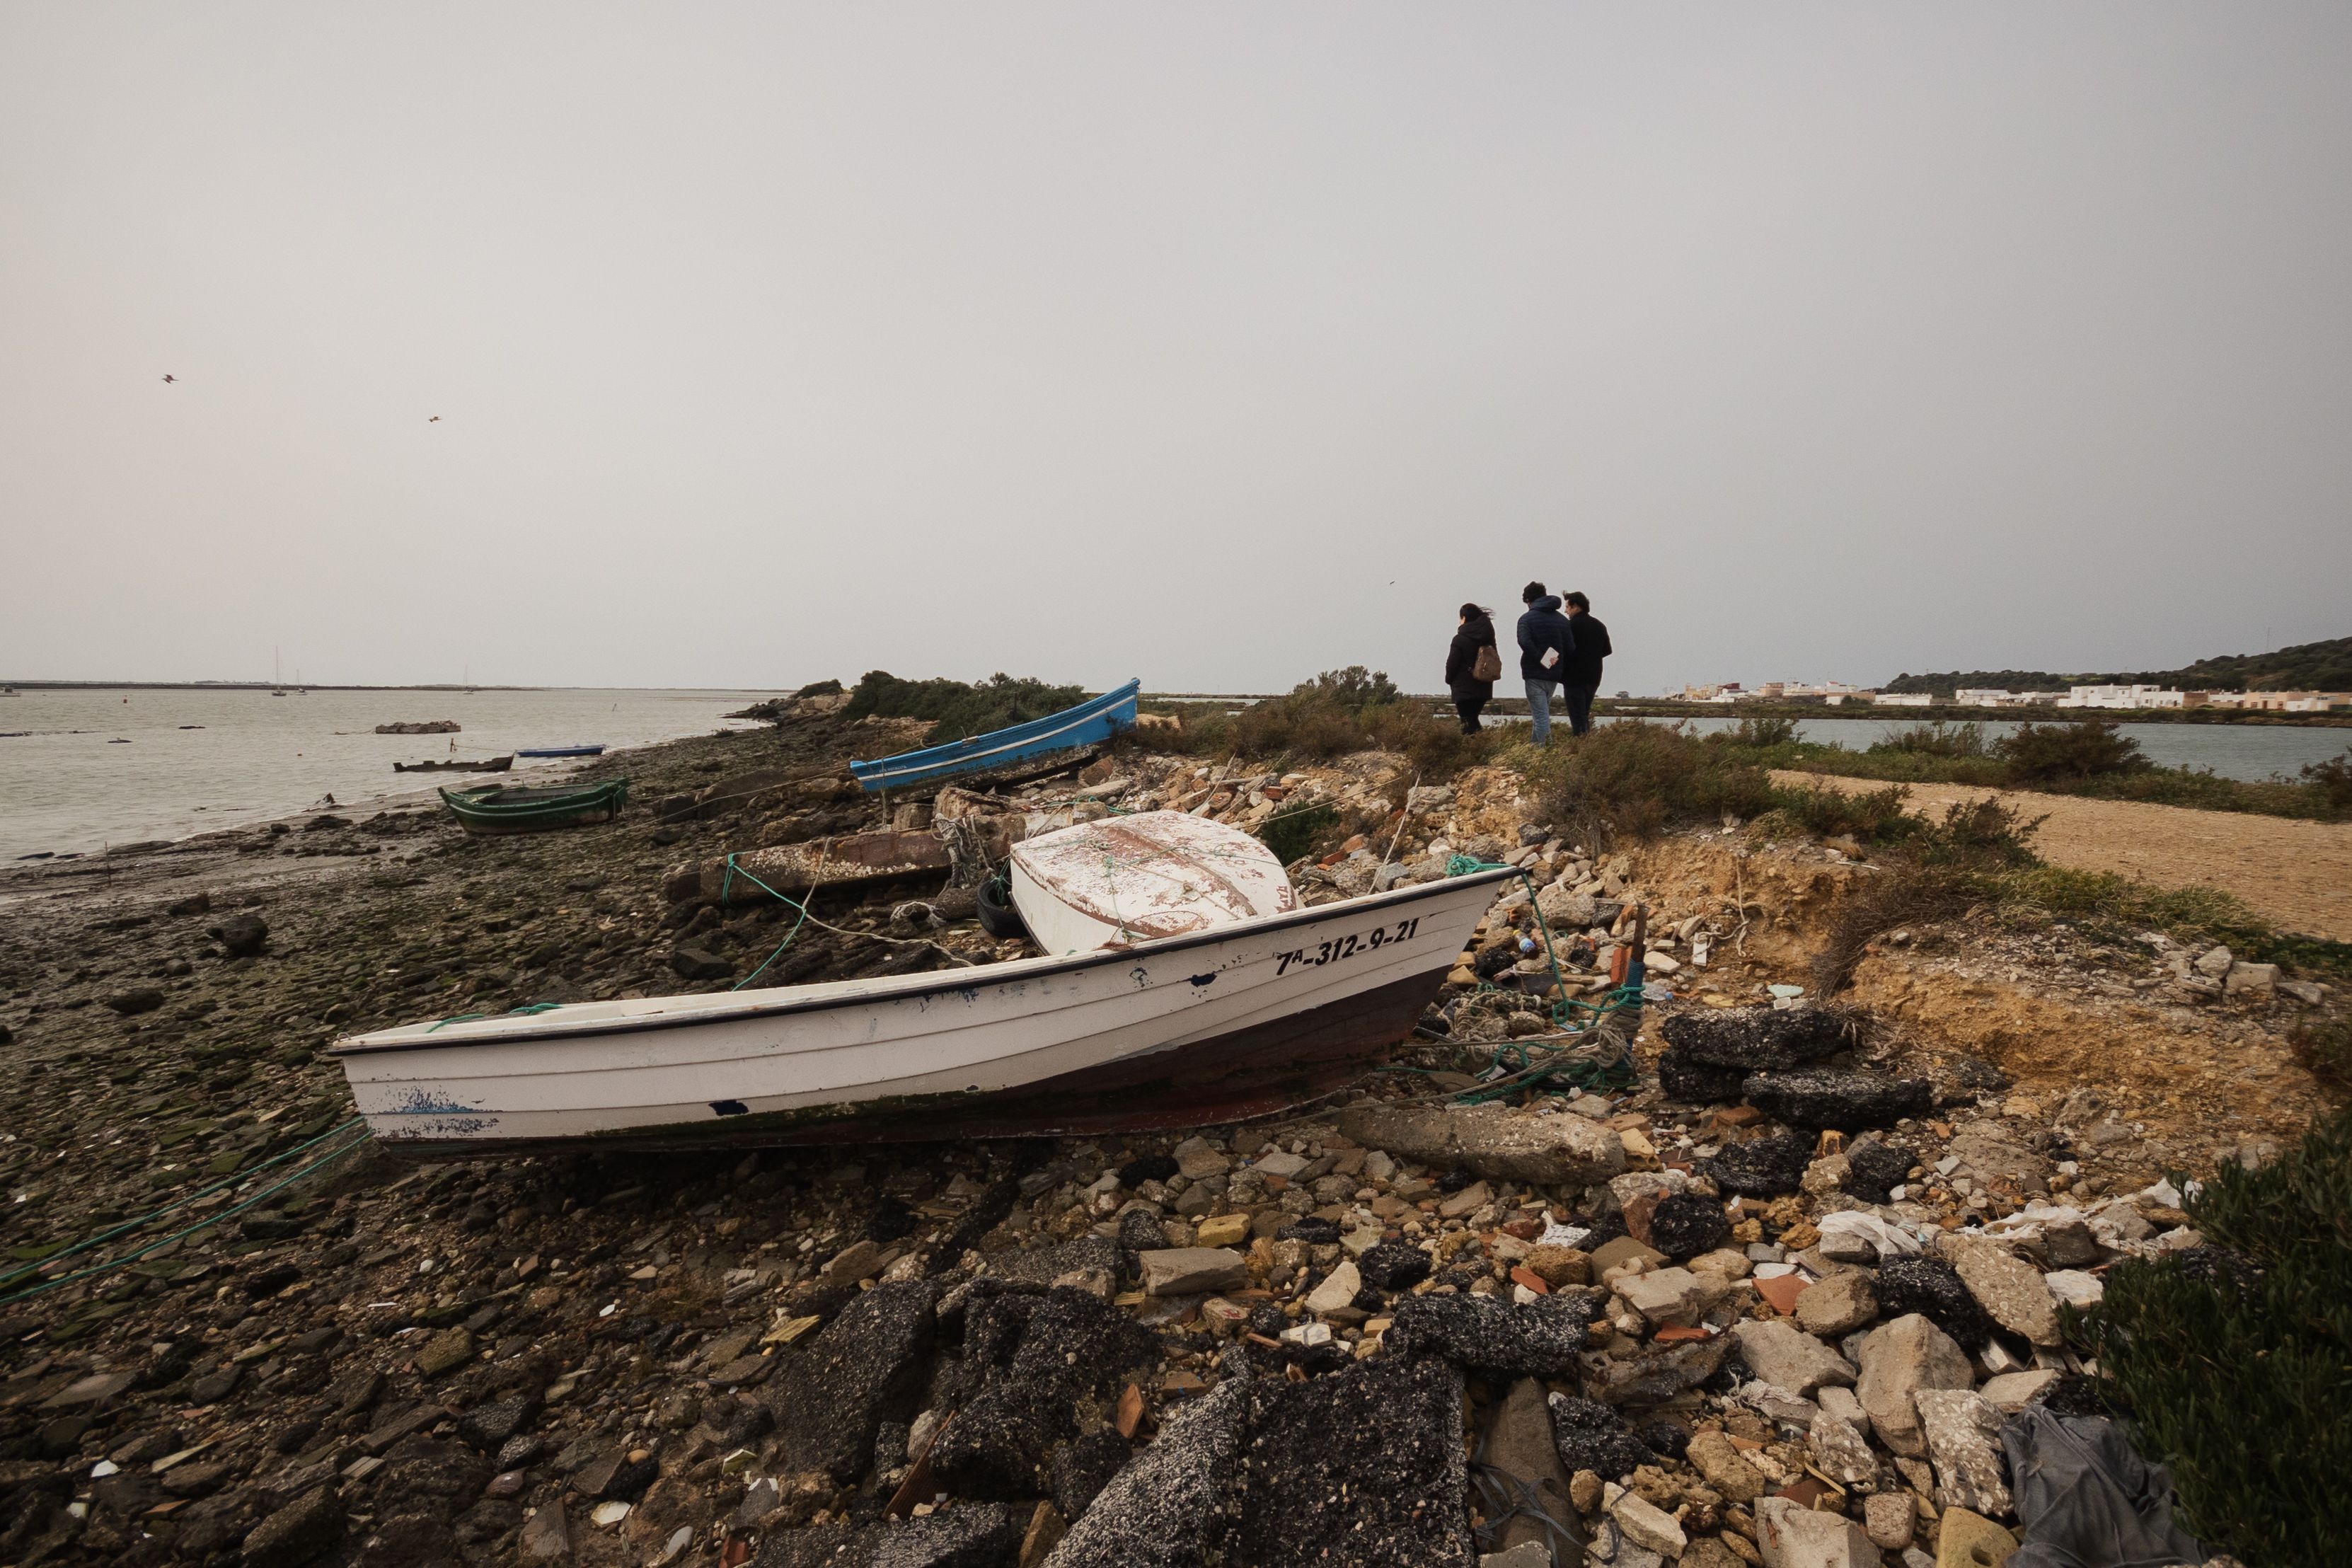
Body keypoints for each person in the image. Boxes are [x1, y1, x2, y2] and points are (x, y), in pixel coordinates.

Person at [1515, 582, 1574, 744]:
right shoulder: (1562, 620)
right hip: (1554, 674)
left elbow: (1524, 642)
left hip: (1534, 673)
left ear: (1528, 600)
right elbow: (1570, 647)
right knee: (1541, 713)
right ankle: (1533, 750)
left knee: (1541, 716)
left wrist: (1542, 658)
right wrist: (1556, 660)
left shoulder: (1526, 619)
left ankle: (1546, 751)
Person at [1560, 591, 1613, 737]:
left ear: (1576, 607)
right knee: (1584, 714)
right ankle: (1586, 744)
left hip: (1573, 678)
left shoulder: (1570, 626)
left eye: (1568, 607)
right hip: (1594, 677)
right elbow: (1607, 650)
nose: (1566, 611)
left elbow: (1560, 649)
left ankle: (1581, 746)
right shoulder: (1599, 626)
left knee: (1577, 717)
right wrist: (1591, 657)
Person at [1443, 603, 1499, 733]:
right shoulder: (1488, 637)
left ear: (1464, 618)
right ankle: (1479, 747)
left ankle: (1474, 751)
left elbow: (1452, 664)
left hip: (1464, 688)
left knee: (1467, 722)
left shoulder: (1459, 639)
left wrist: (1449, 679)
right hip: (1484, 686)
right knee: (1473, 719)